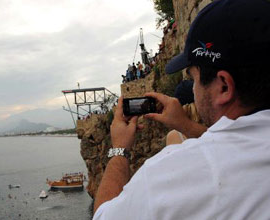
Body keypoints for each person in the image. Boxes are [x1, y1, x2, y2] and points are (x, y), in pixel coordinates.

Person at [93, 0, 270, 219]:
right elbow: (240, 145)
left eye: (193, 78)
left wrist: (119, 149)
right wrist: (185, 125)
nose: (192, 89)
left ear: (223, 86)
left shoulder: (169, 176)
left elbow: (103, 215)